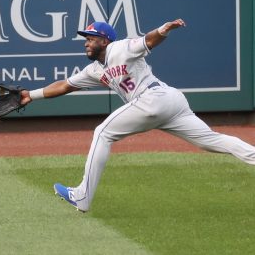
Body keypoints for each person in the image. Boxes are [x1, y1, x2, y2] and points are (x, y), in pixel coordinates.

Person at [21, 19, 255, 212]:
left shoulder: (119, 48)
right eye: (86, 39)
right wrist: (30, 95)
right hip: (169, 101)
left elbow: (148, 41)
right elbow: (64, 86)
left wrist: (164, 29)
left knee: (102, 132)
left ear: (105, 40)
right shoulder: (94, 70)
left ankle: (82, 196)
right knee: (211, 141)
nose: (86, 43)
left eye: (91, 38)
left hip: (154, 99)